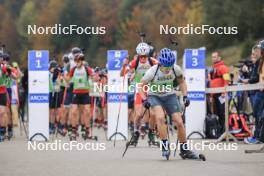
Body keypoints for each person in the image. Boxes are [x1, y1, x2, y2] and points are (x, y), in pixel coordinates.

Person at [138, 48, 203, 160]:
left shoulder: (175, 68)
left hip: (170, 95)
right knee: (160, 118)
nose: (168, 69)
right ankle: (165, 147)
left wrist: (185, 95)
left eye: (170, 66)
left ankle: (184, 150)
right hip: (155, 96)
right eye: (166, 66)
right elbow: (140, 86)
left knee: (179, 122)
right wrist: (144, 99)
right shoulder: (152, 71)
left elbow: (182, 82)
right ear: (160, 63)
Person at [120, 42, 158, 146]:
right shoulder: (134, 62)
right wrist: (124, 66)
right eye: (141, 56)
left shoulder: (153, 61)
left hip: (151, 90)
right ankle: (136, 133)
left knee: (153, 114)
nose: (143, 58)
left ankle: (151, 134)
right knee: (139, 114)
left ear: (148, 54)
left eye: (145, 56)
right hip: (139, 90)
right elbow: (122, 74)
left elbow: (162, 71)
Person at [65, 53, 93, 140]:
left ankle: (87, 131)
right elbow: (68, 79)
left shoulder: (87, 69)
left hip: (85, 93)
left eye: (78, 61)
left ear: (82, 61)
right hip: (76, 93)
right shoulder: (73, 69)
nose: (76, 63)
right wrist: (63, 75)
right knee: (73, 112)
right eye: (75, 61)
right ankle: (74, 131)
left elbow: (93, 77)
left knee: (87, 112)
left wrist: (94, 78)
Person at [209, 52, 230, 134]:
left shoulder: (223, 67)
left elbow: (226, 80)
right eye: (212, 57)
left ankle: (224, 131)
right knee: (217, 113)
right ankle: (220, 132)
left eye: (215, 57)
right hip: (214, 94)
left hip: (221, 94)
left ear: (219, 57)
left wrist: (224, 92)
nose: (213, 58)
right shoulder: (213, 69)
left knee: (223, 114)